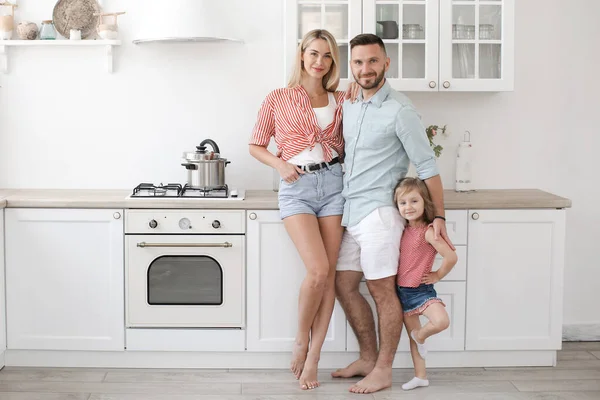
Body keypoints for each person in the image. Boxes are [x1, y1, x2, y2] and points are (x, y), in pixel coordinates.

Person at [331, 33, 455, 394]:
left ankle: (384, 369)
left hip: (381, 215)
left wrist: (440, 218)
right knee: (344, 285)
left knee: (384, 292)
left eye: (372, 61)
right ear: (350, 66)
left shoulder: (401, 110)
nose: (364, 69)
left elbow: (428, 167)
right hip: (351, 212)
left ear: (387, 63)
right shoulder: (352, 102)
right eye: (357, 62)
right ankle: (368, 358)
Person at [249, 29, 347, 391]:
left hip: (335, 186)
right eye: (314, 54)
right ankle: (301, 340)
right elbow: (256, 145)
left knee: (330, 276)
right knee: (318, 270)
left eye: (327, 56)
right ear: (301, 55)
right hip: (298, 189)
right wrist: (280, 165)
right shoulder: (279, 97)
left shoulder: (341, 98)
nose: (319, 62)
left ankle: (315, 357)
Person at [394, 177, 457, 391]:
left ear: (424, 203)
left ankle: (420, 336)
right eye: (403, 203)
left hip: (422, 291)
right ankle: (420, 376)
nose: (408, 207)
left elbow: (451, 257)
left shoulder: (428, 231)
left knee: (440, 322)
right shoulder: (402, 229)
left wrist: (437, 275)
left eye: (414, 201)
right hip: (402, 292)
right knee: (414, 340)